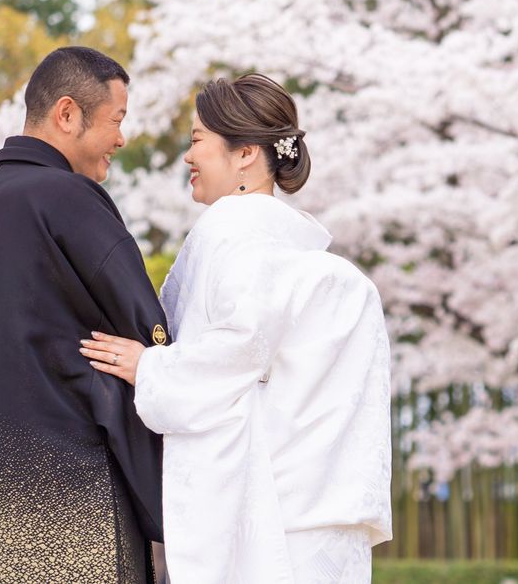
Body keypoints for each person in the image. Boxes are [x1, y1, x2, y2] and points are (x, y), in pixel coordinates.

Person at [80, 73, 392, 583]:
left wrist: (150, 366)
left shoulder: (235, 231)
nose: (188, 156)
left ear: (245, 153)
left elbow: (238, 348)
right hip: (319, 511)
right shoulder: (295, 251)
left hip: (271, 510)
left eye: (198, 139)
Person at [0, 47, 167, 583]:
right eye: (116, 120)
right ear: (68, 114)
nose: (121, 139)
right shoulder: (67, 197)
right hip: (75, 513)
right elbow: (151, 340)